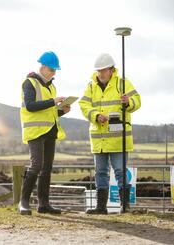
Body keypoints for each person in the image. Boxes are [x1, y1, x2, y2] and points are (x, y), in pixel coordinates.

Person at [79, 53, 141, 214]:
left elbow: (138, 101)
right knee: (100, 172)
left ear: (111, 70)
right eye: (98, 70)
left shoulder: (123, 83)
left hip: (118, 138)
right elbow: (84, 105)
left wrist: (129, 102)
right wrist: (95, 115)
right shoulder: (90, 86)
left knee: (120, 172)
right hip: (99, 140)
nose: (100, 73)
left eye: (103, 70)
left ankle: (125, 206)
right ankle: (101, 207)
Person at [19, 51, 70, 215]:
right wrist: (53, 101)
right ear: (43, 67)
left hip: (50, 130)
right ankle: (23, 202)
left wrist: (62, 111)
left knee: (47, 168)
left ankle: (44, 204)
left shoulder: (51, 86)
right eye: (52, 69)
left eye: (55, 70)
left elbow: (49, 112)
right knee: (36, 165)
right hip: (35, 131)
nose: (54, 73)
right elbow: (30, 106)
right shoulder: (29, 83)